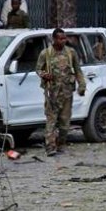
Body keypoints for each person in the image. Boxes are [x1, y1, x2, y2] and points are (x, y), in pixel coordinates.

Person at [37, 28, 86, 156]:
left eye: (64, 38)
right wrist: (44, 74)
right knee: (51, 120)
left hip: (66, 92)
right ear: (54, 39)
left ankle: (61, 144)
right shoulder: (46, 54)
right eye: (60, 38)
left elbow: (78, 70)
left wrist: (82, 85)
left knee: (65, 121)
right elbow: (38, 69)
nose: (63, 41)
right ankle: (50, 146)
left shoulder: (71, 53)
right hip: (51, 92)